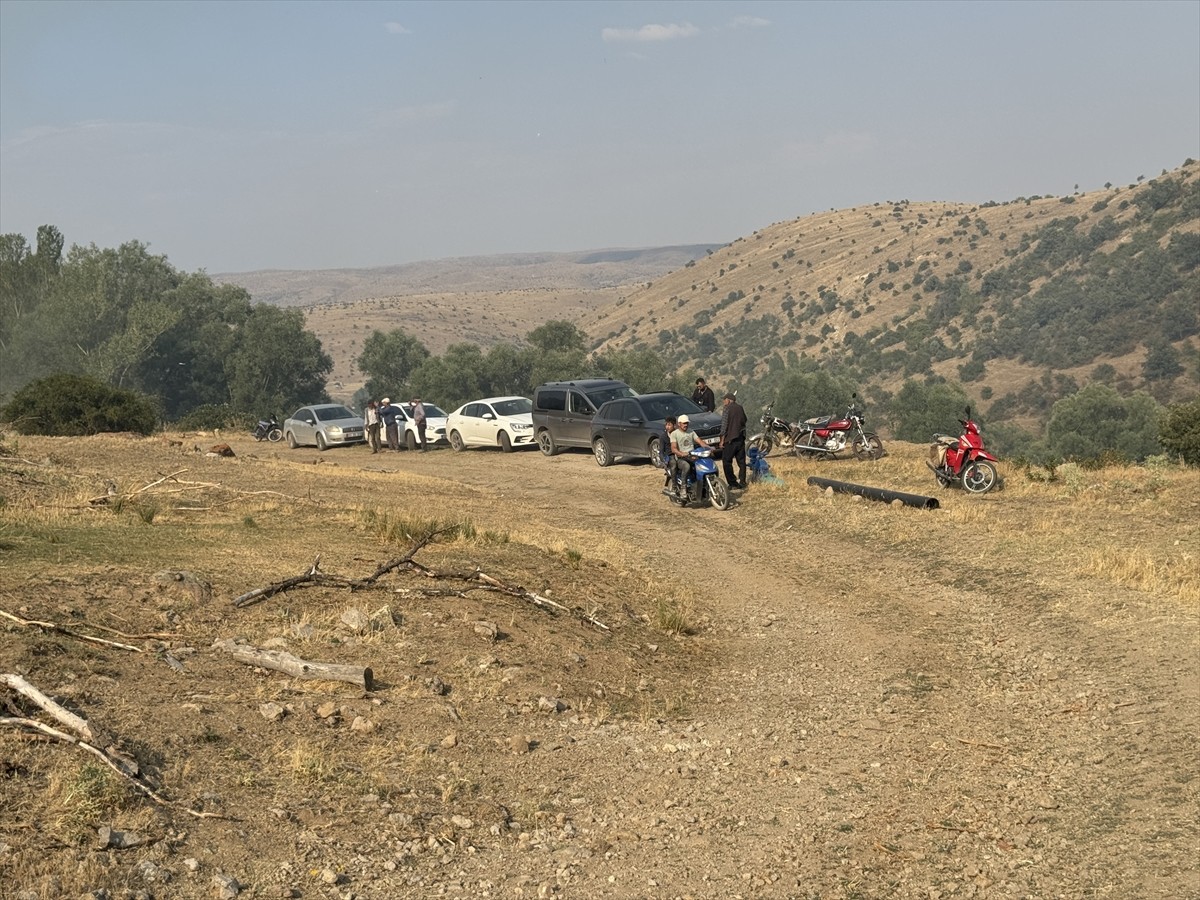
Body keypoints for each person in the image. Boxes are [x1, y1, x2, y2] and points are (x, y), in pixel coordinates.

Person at [668, 413, 710, 504]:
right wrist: (681, 453)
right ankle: (683, 488)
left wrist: (709, 448)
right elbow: (673, 448)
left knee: (703, 464)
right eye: (683, 423)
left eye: (687, 423)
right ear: (679, 424)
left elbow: (700, 441)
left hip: (692, 456)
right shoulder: (674, 434)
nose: (686, 425)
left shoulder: (691, 432)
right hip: (680, 458)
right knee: (686, 466)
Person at [719, 392, 748, 489]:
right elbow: (745, 420)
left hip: (730, 440)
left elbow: (724, 426)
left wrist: (722, 440)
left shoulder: (727, 409)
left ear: (728, 400)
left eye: (724, 400)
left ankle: (732, 483)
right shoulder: (740, 408)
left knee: (726, 461)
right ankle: (743, 481)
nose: (724, 402)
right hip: (740, 438)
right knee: (741, 461)